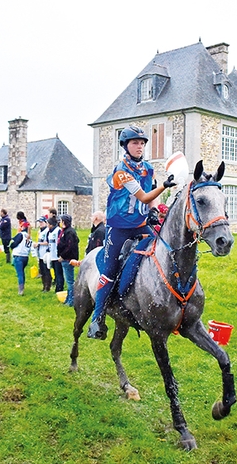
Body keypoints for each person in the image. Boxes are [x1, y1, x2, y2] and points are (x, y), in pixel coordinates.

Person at [87, 125, 176, 340]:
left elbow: (150, 199)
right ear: (125, 146)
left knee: (164, 252)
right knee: (109, 270)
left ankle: (170, 301)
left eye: (142, 143)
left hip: (140, 224)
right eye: (135, 143)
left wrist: (158, 209)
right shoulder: (121, 172)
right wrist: (164, 186)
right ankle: (97, 319)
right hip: (118, 228)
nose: (140, 146)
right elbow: (144, 196)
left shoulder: (147, 168)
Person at [58, 214, 80, 306]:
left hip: (68, 259)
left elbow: (70, 246)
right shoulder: (65, 231)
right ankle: (68, 298)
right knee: (68, 280)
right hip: (65, 258)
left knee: (70, 281)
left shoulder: (69, 232)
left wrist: (63, 256)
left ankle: (72, 300)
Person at [10, 226, 32, 295]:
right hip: (25, 256)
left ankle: (21, 289)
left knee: (20, 274)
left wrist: (11, 245)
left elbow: (14, 243)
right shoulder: (29, 237)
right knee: (22, 272)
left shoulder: (20, 235)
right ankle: (22, 286)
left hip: (18, 256)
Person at [34, 217, 52, 292]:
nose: (40, 224)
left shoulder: (47, 231)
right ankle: (44, 285)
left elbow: (48, 242)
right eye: (39, 222)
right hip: (40, 253)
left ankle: (47, 286)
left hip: (45, 254)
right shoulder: (40, 231)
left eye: (41, 222)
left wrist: (38, 244)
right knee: (42, 270)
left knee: (46, 270)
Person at [47, 216, 64, 293]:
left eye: (48, 224)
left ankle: (59, 288)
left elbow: (60, 243)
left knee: (59, 273)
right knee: (55, 272)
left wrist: (60, 254)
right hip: (52, 255)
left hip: (57, 256)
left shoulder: (58, 231)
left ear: (51, 225)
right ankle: (57, 285)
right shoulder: (50, 232)